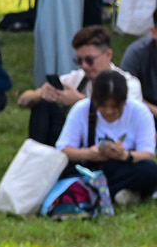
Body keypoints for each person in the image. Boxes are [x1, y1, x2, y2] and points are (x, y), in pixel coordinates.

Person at [55, 70, 157, 207]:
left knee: (149, 170)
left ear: (124, 101)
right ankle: (117, 192)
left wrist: (124, 155)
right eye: (103, 106)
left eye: (115, 106)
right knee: (64, 172)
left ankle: (93, 192)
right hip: (90, 168)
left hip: (123, 166)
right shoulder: (81, 109)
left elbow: (147, 153)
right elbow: (63, 149)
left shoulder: (140, 112)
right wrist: (89, 153)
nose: (109, 111)